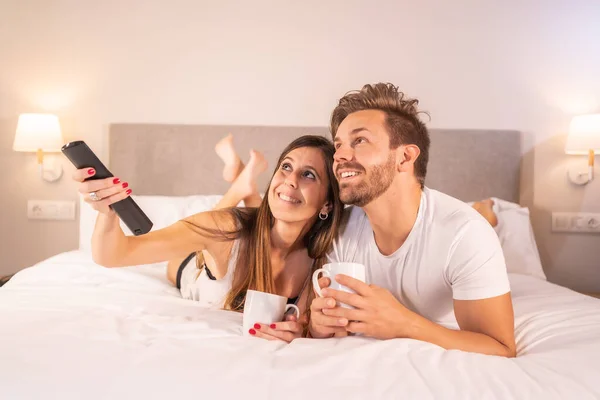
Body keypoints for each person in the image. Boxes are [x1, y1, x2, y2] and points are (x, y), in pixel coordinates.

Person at [308, 83, 517, 358]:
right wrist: (318, 325)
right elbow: (328, 325)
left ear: (405, 157)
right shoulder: (340, 229)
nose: (340, 156)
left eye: (359, 141)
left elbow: (500, 348)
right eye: (339, 146)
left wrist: (404, 323)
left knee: (481, 220)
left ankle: (486, 210)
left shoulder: (464, 232)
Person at [73, 135, 343, 342]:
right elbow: (114, 255)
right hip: (191, 267)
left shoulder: (322, 258)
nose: (290, 180)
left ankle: (241, 180)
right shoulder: (225, 227)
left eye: (308, 174)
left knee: (257, 218)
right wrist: (108, 213)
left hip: (255, 228)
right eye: (285, 167)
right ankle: (239, 185)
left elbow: (309, 325)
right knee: (224, 227)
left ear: (327, 204)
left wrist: (300, 332)